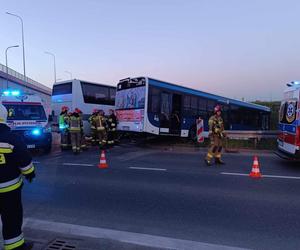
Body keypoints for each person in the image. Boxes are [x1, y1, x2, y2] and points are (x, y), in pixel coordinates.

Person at [0, 104, 35, 250]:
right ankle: (15, 247)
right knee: (11, 219)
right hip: (9, 190)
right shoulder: (11, 138)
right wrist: (29, 173)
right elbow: (24, 159)